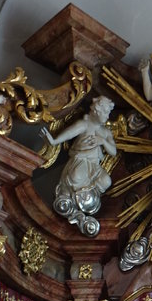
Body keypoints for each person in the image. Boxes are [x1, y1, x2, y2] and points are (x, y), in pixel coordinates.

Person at [42, 96, 117, 233]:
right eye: (105, 113)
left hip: (95, 166)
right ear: (96, 111)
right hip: (80, 160)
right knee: (75, 177)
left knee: (106, 181)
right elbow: (69, 134)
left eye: (108, 113)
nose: (107, 116)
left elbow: (113, 151)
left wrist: (103, 141)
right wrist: (54, 141)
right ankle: (71, 201)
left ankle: (87, 201)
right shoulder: (84, 124)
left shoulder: (105, 132)